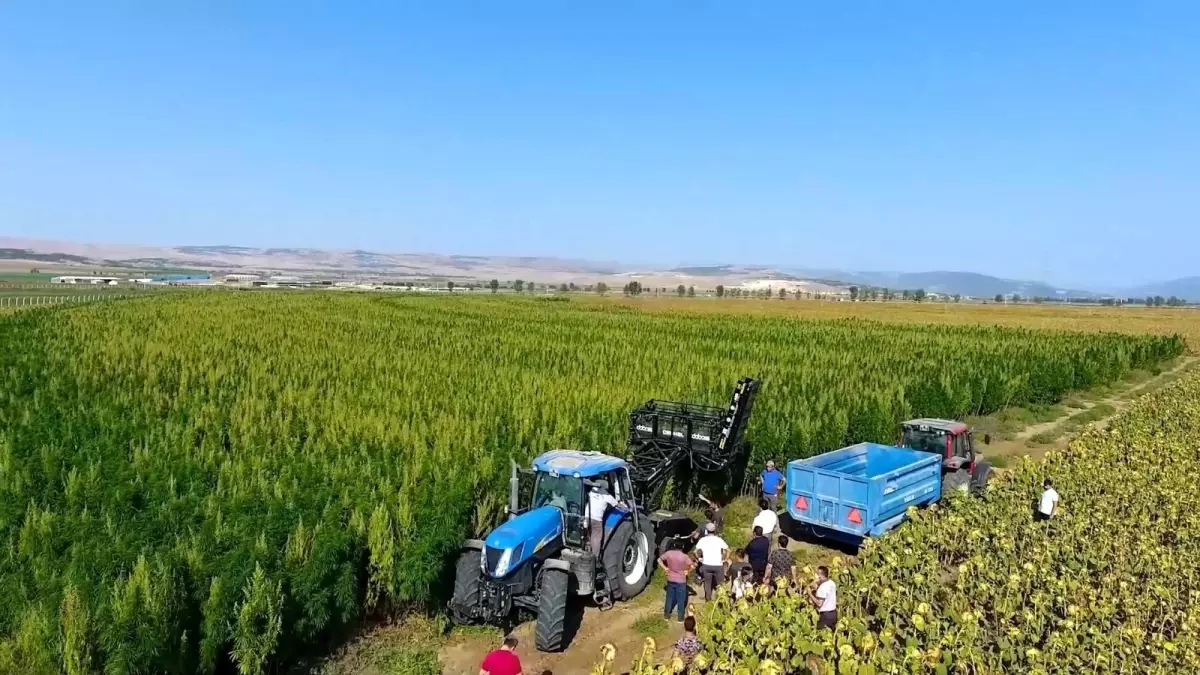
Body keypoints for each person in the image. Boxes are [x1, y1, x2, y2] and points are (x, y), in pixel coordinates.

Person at [658, 538, 694, 621]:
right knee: (681, 600)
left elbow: (659, 560)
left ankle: (666, 616)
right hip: (681, 581)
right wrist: (687, 571)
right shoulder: (685, 556)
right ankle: (680, 618)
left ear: (674, 545)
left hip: (670, 579)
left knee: (669, 598)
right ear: (683, 546)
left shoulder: (668, 553)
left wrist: (665, 568)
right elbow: (692, 566)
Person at [692, 522, 729, 601]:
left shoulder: (703, 540)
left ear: (707, 530)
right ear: (714, 530)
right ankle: (721, 600)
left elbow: (695, 551)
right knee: (720, 584)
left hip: (706, 564)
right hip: (718, 565)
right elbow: (728, 550)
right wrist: (725, 559)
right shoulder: (719, 540)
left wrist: (699, 559)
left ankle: (708, 599)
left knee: (707, 583)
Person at [584, 481, 620, 555]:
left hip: (586, 517)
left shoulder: (592, 491)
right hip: (597, 520)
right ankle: (595, 557)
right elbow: (616, 504)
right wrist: (625, 506)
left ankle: (586, 551)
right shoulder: (607, 496)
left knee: (587, 535)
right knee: (596, 539)